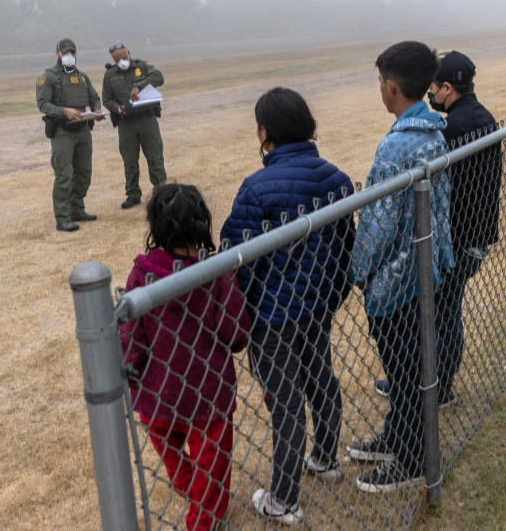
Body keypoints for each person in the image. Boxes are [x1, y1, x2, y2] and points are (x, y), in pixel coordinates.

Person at [220, 87, 354, 525]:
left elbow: (237, 260)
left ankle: (283, 499)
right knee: (320, 377)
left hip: (273, 318)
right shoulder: (336, 179)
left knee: (286, 403)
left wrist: (240, 318)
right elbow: (345, 249)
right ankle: (326, 457)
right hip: (317, 308)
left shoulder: (256, 189)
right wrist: (332, 295)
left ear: (264, 132)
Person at [346, 41, 454, 493]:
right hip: (428, 269)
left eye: (380, 83)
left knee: (405, 372)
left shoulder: (397, 147)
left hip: (397, 282)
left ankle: (410, 457)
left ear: (391, 87)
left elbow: (378, 222)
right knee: (412, 367)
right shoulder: (433, 131)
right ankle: (399, 435)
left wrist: (358, 272)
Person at [373, 51, 502, 407]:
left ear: (447, 88)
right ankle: (432, 383)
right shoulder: (480, 116)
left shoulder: (456, 127)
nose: (430, 96)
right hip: (475, 233)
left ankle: (436, 387)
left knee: (440, 317)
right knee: (446, 313)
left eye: (433, 89)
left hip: (460, 238)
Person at [120, 183, 251, 531]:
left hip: (157, 395)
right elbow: (236, 334)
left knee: (178, 463)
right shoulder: (216, 272)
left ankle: (199, 504)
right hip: (208, 396)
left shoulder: (143, 274)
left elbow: (132, 336)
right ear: (202, 224)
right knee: (211, 468)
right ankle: (204, 518)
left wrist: (132, 370)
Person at [35, 38, 106, 231]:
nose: (69, 56)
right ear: (57, 54)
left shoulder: (82, 77)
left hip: (83, 130)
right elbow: (43, 104)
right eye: (65, 52)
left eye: (72, 52)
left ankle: (77, 209)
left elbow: (94, 97)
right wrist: (64, 111)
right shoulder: (48, 77)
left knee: (84, 173)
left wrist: (97, 110)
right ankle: (63, 218)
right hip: (62, 132)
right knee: (64, 175)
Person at [101, 41, 167, 209]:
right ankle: (132, 194)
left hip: (147, 119)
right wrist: (117, 108)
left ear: (129, 53)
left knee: (155, 157)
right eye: (117, 59)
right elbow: (107, 99)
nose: (122, 61)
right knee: (130, 161)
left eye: (124, 57)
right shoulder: (110, 75)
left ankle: (161, 193)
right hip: (126, 123)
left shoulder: (142, 66)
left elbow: (159, 77)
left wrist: (139, 85)